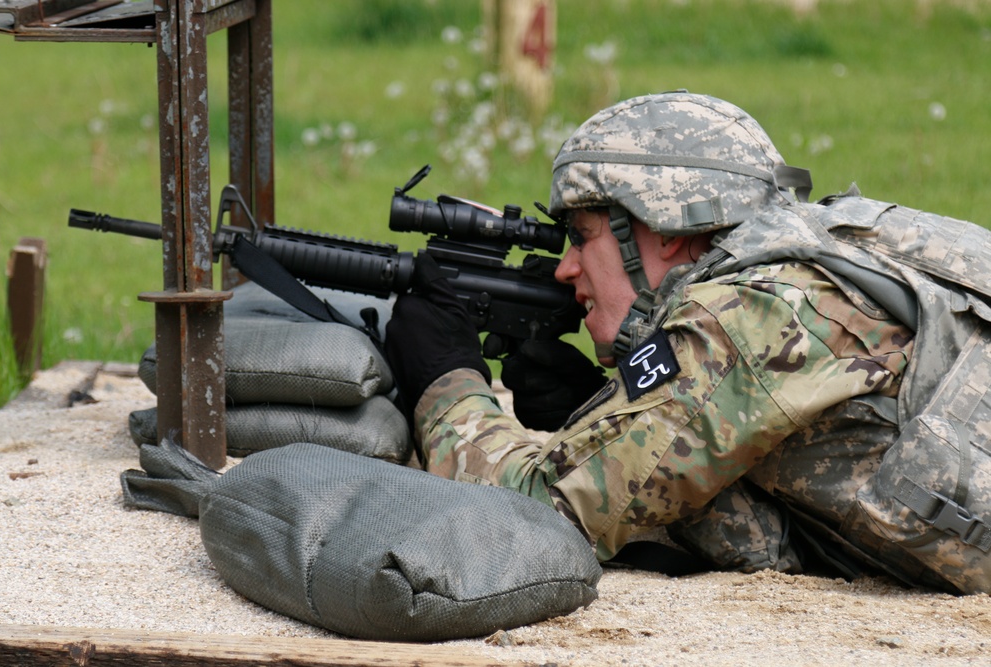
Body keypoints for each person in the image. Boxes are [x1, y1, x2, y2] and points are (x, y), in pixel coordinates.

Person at [384, 91, 991, 594]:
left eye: (582, 235)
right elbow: (775, 536)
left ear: (663, 231)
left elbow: (534, 518)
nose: (567, 269)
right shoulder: (809, 270)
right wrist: (604, 414)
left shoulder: (749, 318)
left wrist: (447, 379)